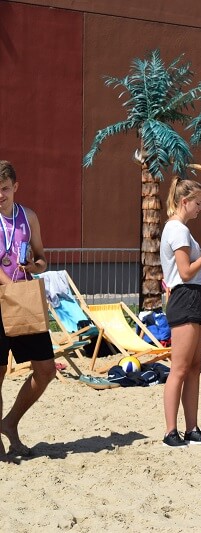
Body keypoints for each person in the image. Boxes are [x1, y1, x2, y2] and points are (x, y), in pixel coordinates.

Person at [159, 177, 201, 447]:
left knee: (194, 367)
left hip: (196, 295)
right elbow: (185, 272)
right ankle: (170, 431)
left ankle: (192, 427)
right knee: (179, 368)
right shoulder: (176, 229)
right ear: (184, 201)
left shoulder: (182, 229)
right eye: (198, 203)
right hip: (185, 295)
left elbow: (192, 271)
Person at [0, 160, 56, 462]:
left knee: (46, 370)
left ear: (15, 187)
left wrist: (35, 266)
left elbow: (42, 258)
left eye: (5, 189)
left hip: (24, 300)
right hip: (5, 297)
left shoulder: (28, 216)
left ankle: (9, 422)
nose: (0, 195)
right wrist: (10, 286)